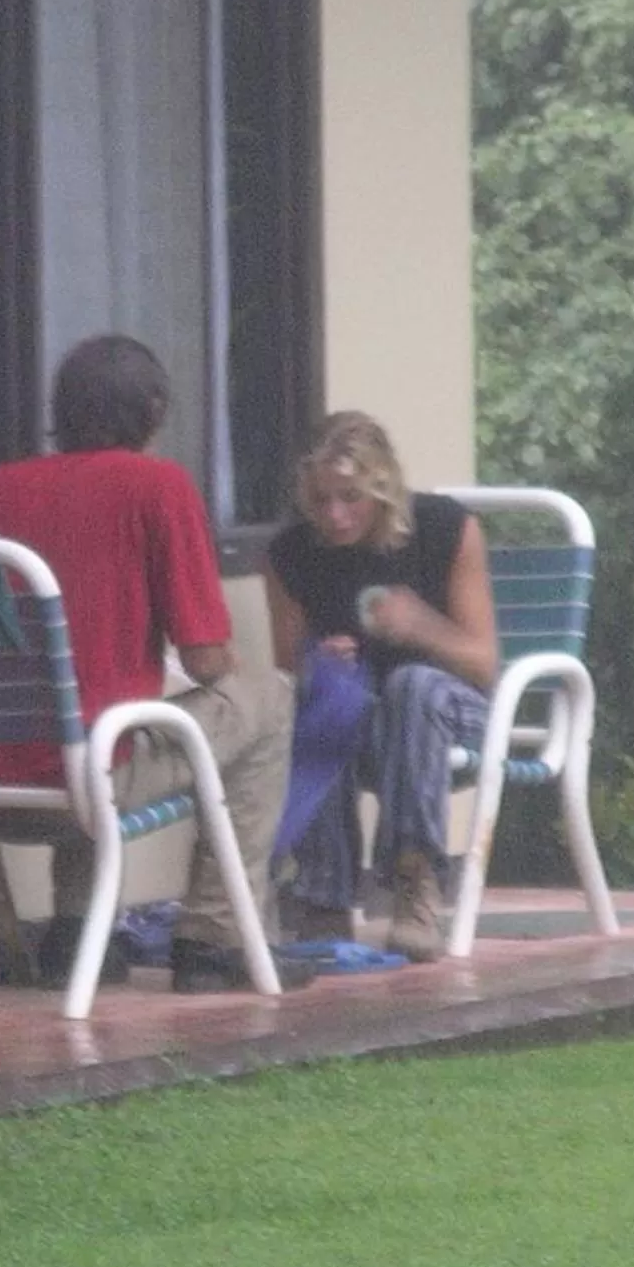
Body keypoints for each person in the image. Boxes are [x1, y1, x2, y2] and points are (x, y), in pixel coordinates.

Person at [0, 334, 314, 995]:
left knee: (92, 708)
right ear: (154, 409)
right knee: (265, 697)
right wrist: (222, 659)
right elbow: (208, 660)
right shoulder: (157, 486)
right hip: (89, 781)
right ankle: (214, 938)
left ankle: (74, 935)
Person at [264, 412, 499, 962]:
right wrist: (319, 665)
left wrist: (422, 627)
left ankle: (415, 880)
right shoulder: (291, 555)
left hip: (453, 712)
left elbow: (484, 665)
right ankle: (323, 895)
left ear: (384, 486)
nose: (336, 515)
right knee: (327, 700)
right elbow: (287, 673)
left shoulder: (445, 529)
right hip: (365, 720)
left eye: (351, 497)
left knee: (411, 686)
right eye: (320, 500)